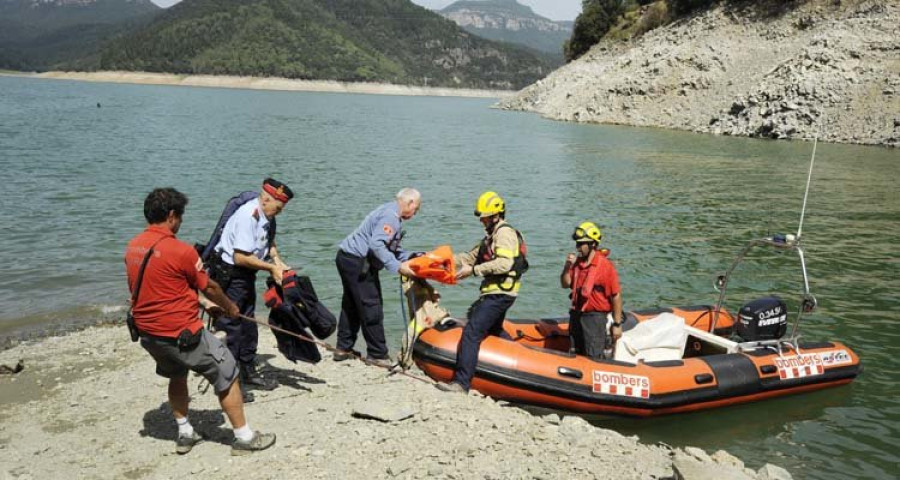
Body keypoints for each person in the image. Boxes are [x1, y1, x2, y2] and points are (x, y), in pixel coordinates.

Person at [124, 188, 276, 455]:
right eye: (180, 216)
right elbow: (211, 287)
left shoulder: (133, 246)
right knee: (228, 370)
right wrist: (228, 307)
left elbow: (161, 290)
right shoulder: (181, 251)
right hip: (181, 334)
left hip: (149, 335)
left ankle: (185, 433)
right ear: (172, 216)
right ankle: (244, 438)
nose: (181, 222)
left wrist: (205, 306)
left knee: (177, 373)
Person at [436, 191, 527, 393]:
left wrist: (475, 271)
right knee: (494, 330)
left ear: (496, 215)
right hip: (495, 293)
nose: (481, 221)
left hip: (500, 294)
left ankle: (462, 383)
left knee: (472, 332)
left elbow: (504, 264)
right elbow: (469, 257)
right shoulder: (490, 236)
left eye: (484, 217)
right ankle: (519, 362)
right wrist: (442, 260)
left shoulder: (504, 234)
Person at [210, 178, 293, 391]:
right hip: (231, 275)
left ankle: (247, 371)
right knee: (232, 327)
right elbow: (240, 257)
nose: (280, 212)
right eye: (278, 208)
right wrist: (271, 269)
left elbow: (268, 240)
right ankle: (230, 383)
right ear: (266, 199)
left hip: (246, 276)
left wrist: (277, 260)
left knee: (248, 324)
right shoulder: (249, 215)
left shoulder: (266, 214)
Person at [334, 188, 421, 366]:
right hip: (358, 262)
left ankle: (343, 348)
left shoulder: (390, 211)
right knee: (371, 306)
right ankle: (377, 354)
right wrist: (398, 268)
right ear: (410, 202)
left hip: (347, 258)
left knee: (351, 304)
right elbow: (376, 245)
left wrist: (414, 257)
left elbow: (391, 249)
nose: (416, 213)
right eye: (416, 208)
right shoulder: (391, 217)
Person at [560, 221, 624, 359]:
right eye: (577, 244)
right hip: (576, 315)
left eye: (581, 244)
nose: (577, 247)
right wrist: (566, 267)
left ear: (593, 244)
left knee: (593, 355)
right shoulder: (578, 263)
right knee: (574, 352)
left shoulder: (605, 267)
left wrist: (617, 324)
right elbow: (565, 284)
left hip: (595, 318)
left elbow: (616, 296)